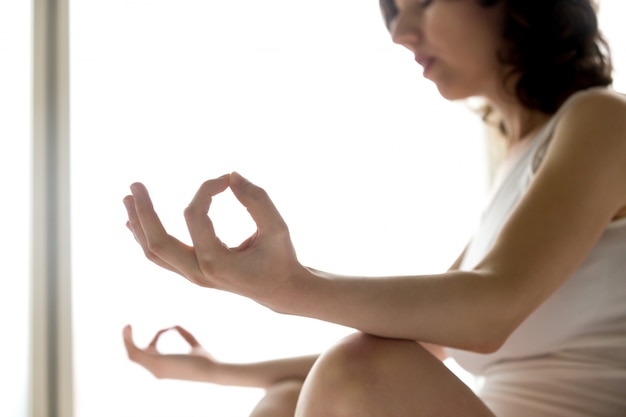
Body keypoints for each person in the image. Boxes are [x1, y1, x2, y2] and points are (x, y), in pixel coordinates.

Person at [122, 0, 626, 416]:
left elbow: (489, 311)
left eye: (422, 5)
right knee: (281, 403)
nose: (400, 33)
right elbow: (434, 336)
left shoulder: (602, 119)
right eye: (394, 14)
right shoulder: (519, 163)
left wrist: (291, 286)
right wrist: (214, 372)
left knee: (363, 370)